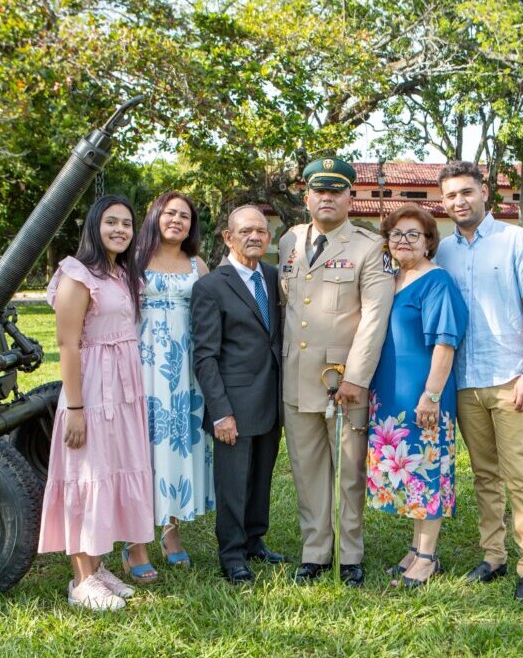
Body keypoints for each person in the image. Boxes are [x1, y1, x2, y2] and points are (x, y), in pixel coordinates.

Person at [435, 161, 523, 603]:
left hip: (509, 378)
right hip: (464, 381)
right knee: (484, 475)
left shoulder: (516, 241)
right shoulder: (443, 251)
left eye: (466, 192)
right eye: (450, 196)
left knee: (520, 475)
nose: (459, 201)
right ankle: (493, 555)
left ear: (484, 192)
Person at [279, 157, 394, 587]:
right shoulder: (290, 240)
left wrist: (356, 378)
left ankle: (350, 555)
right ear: (306, 196)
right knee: (307, 471)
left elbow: (374, 318)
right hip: (296, 378)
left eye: (336, 191)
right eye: (318, 190)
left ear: (350, 197)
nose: (326, 198)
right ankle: (315, 552)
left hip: (343, 382)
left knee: (349, 472)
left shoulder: (369, 247)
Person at [38, 194, 154, 611]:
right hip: (91, 389)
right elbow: (68, 345)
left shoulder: (123, 275)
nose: (120, 229)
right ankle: (81, 579)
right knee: (86, 474)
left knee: (112, 470)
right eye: (111, 222)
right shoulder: (76, 273)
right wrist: (75, 407)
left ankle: (99, 566)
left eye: (126, 223)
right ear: (94, 225)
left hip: (124, 392)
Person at [366, 204, 467, 588]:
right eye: (396, 234)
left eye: (413, 235)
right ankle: (414, 549)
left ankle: (427, 558)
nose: (403, 241)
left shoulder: (436, 281)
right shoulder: (392, 280)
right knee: (411, 476)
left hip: (424, 395)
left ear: (429, 243)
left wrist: (431, 395)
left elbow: (445, 343)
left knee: (429, 474)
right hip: (390, 396)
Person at [190, 205, 284, 585]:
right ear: (228, 237)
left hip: (271, 397)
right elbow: (205, 356)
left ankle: (253, 540)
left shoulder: (275, 278)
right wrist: (220, 412)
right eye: (245, 231)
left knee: (261, 477)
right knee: (232, 483)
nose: (255, 237)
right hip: (233, 405)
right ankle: (231, 554)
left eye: (261, 231)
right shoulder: (211, 287)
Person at [133, 191, 214, 572]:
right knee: (144, 447)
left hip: (186, 370)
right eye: (170, 213)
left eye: (185, 216)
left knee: (179, 446)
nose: (177, 220)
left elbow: (212, 317)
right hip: (144, 365)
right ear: (155, 217)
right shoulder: (134, 259)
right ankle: (136, 541)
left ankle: (171, 531)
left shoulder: (197, 263)